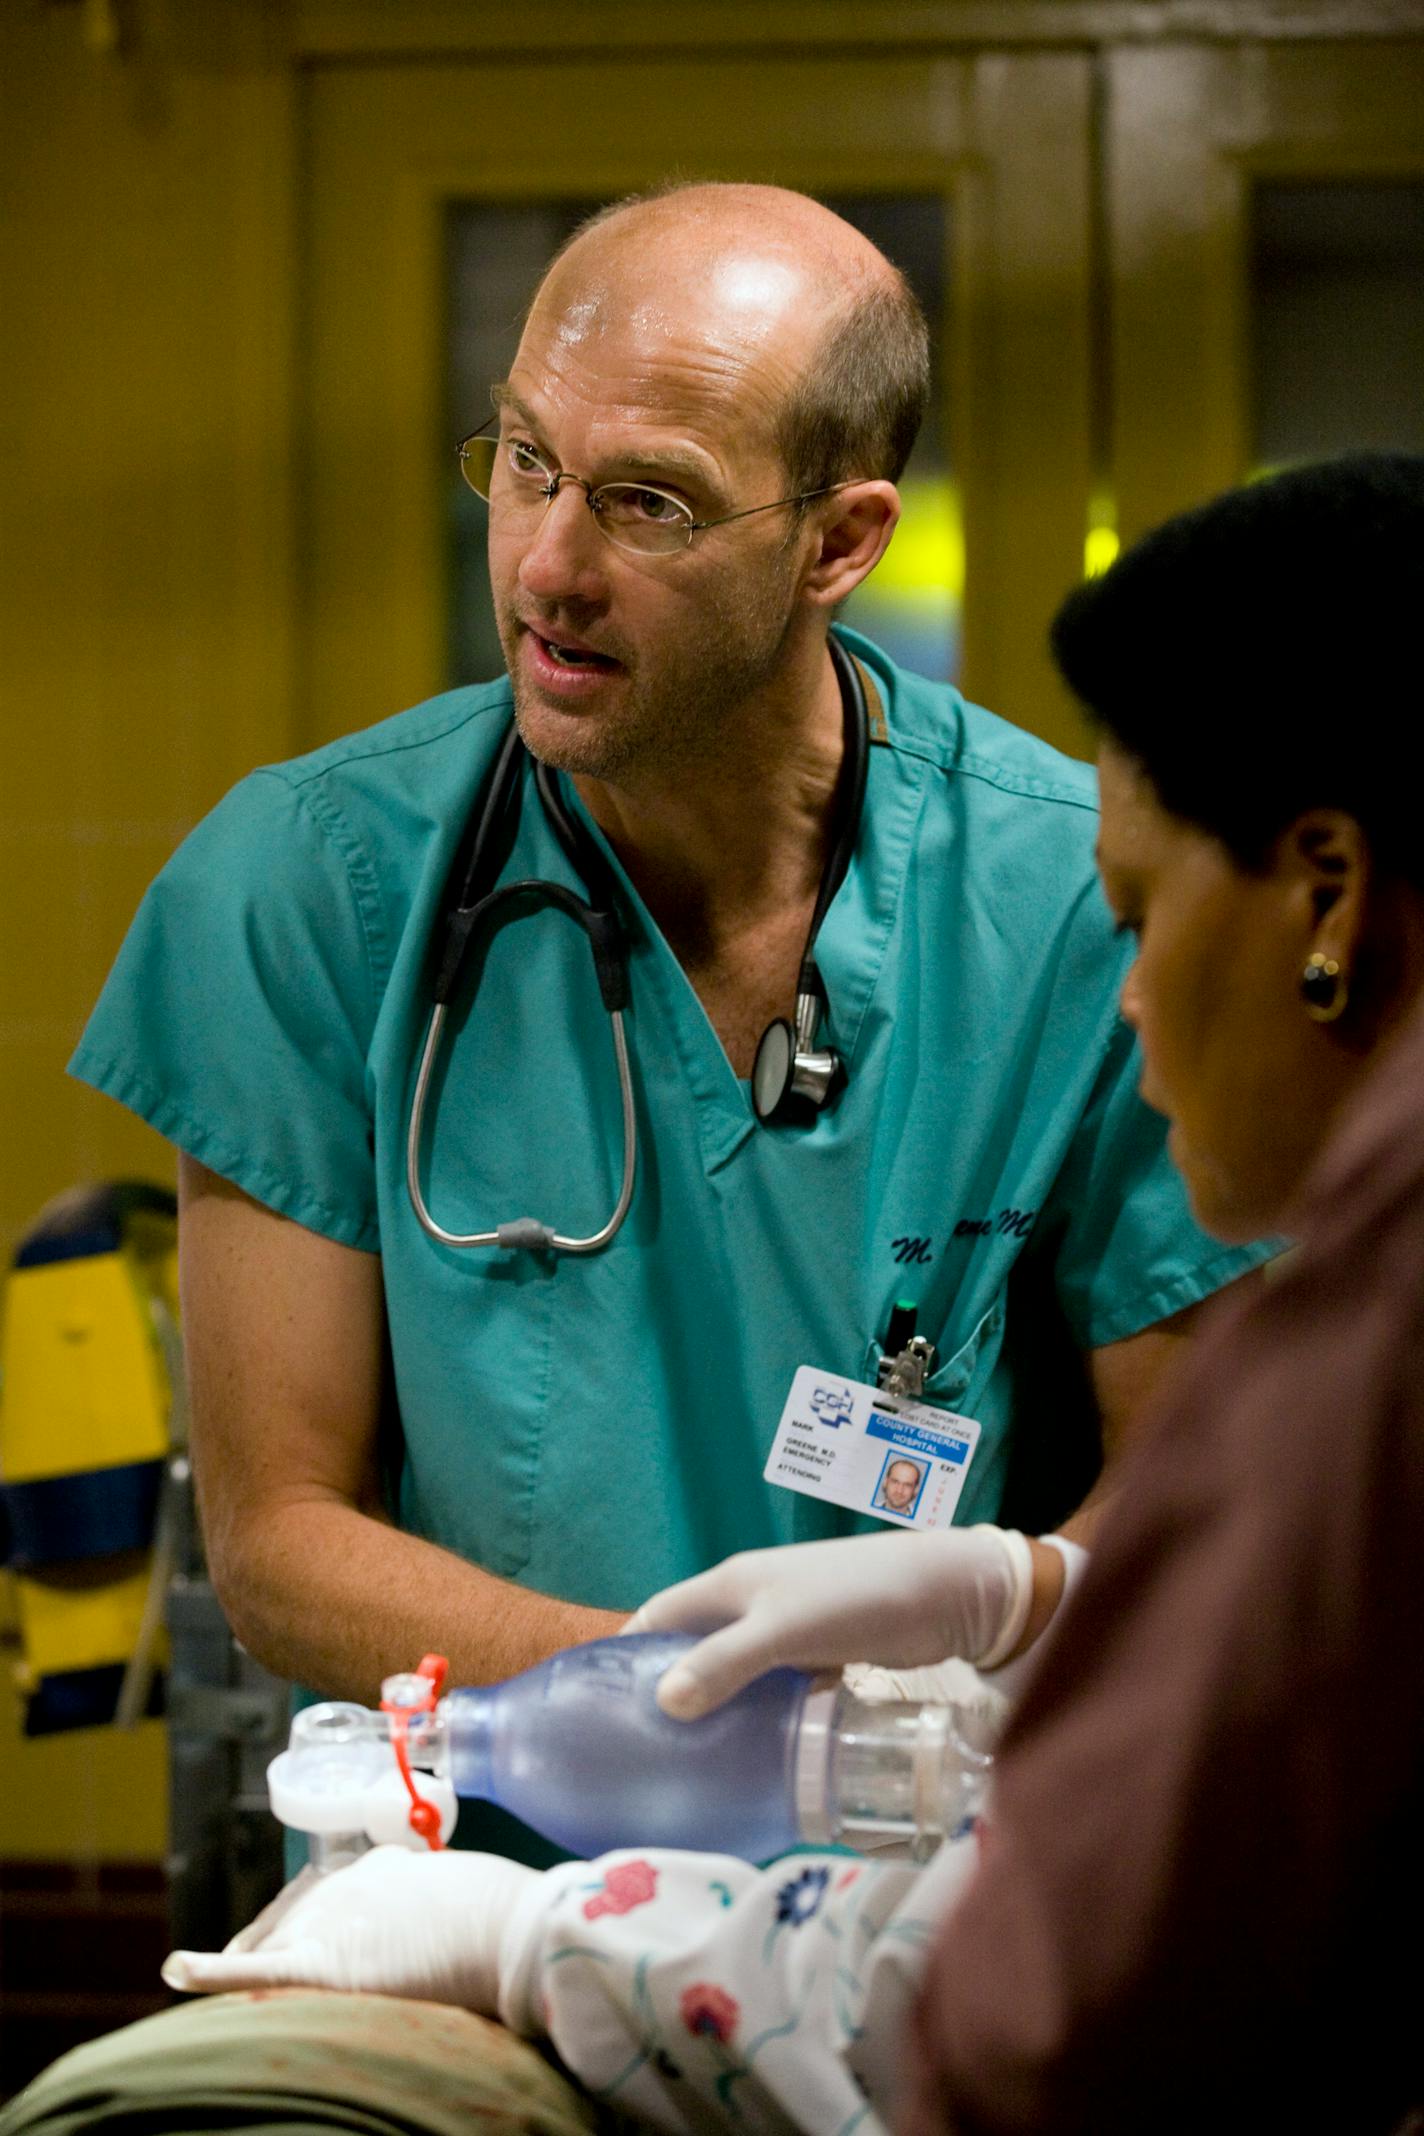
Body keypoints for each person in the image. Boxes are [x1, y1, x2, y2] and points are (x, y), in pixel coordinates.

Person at [68, 184, 1267, 1792]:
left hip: (929, 1854)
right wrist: (689, 1716)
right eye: (524, 464)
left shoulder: (1073, 901)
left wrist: (932, 1687)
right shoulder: (313, 884)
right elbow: (281, 1540)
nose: (548, 566)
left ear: (841, 541)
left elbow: (1192, 1493)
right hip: (479, 1878)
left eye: (649, 505)